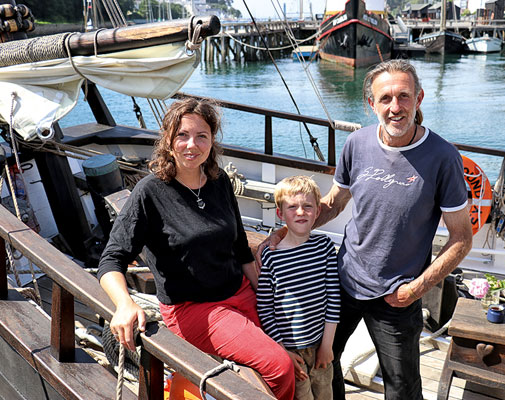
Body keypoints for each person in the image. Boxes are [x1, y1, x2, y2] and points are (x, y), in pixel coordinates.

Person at [258, 60, 473, 400]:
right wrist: (286, 231)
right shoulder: (356, 144)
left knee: (402, 388)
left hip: (398, 296)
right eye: (385, 98)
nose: (395, 107)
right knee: (326, 364)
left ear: (419, 99)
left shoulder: (443, 157)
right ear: (371, 104)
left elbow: (462, 238)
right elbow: (334, 202)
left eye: (404, 96)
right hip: (344, 281)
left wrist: (415, 291)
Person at [97, 98, 295, 400]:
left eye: (202, 136)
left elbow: (240, 248)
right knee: (279, 366)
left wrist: (266, 299)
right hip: (194, 308)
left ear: (212, 140)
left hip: (240, 292)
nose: (192, 144)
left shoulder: (219, 182)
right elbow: (112, 258)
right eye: (182, 135)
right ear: (168, 140)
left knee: (295, 344)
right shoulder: (150, 192)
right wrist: (124, 304)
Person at [256, 176, 340, 400]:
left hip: (321, 344)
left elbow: (333, 297)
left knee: (325, 395)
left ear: (317, 212)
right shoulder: (271, 257)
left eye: (307, 206)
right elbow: (265, 308)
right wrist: (283, 351)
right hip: (292, 353)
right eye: (292, 207)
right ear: (280, 214)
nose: (300, 212)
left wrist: (327, 346)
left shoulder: (324, 247)